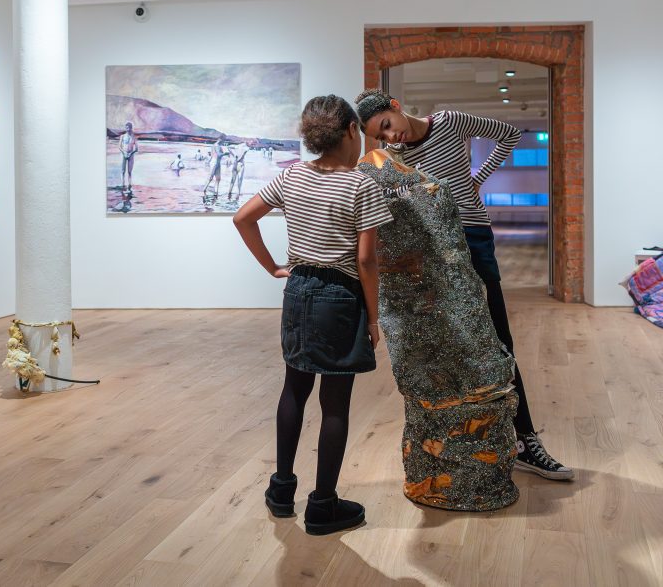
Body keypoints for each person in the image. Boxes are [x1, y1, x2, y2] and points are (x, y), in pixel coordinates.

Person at [354, 88, 573, 481]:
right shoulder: (395, 158)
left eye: (387, 126)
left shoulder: (451, 121)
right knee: (446, 345)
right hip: (432, 250)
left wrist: (478, 178)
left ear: (397, 107)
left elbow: (508, 133)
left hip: (472, 236)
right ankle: (457, 447)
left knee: (498, 340)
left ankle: (524, 439)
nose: (391, 138)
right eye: (380, 136)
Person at [233, 95, 393, 535]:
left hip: (298, 290)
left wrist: (272, 267)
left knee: (294, 389)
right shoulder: (361, 185)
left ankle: (281, 489)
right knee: (335, 404)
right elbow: (366, 261)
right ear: (349, 132)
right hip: (339, 297)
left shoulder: (291, 176)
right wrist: (375, 318)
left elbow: (243, 218)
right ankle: (323, 505)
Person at [119, 122, 138, 192]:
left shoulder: (133, 137)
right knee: (123, 171)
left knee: (129, 172)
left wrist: (131, 153)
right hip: (123, 154)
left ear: (131, 128)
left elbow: (136, 149)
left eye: (129, 127)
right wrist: (123, 152)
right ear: (125, 128)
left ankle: (129, 185)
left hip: (131, 156)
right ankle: (123, 184)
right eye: (127, 128)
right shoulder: (122, 136)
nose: (128, 129)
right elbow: (119, 146)